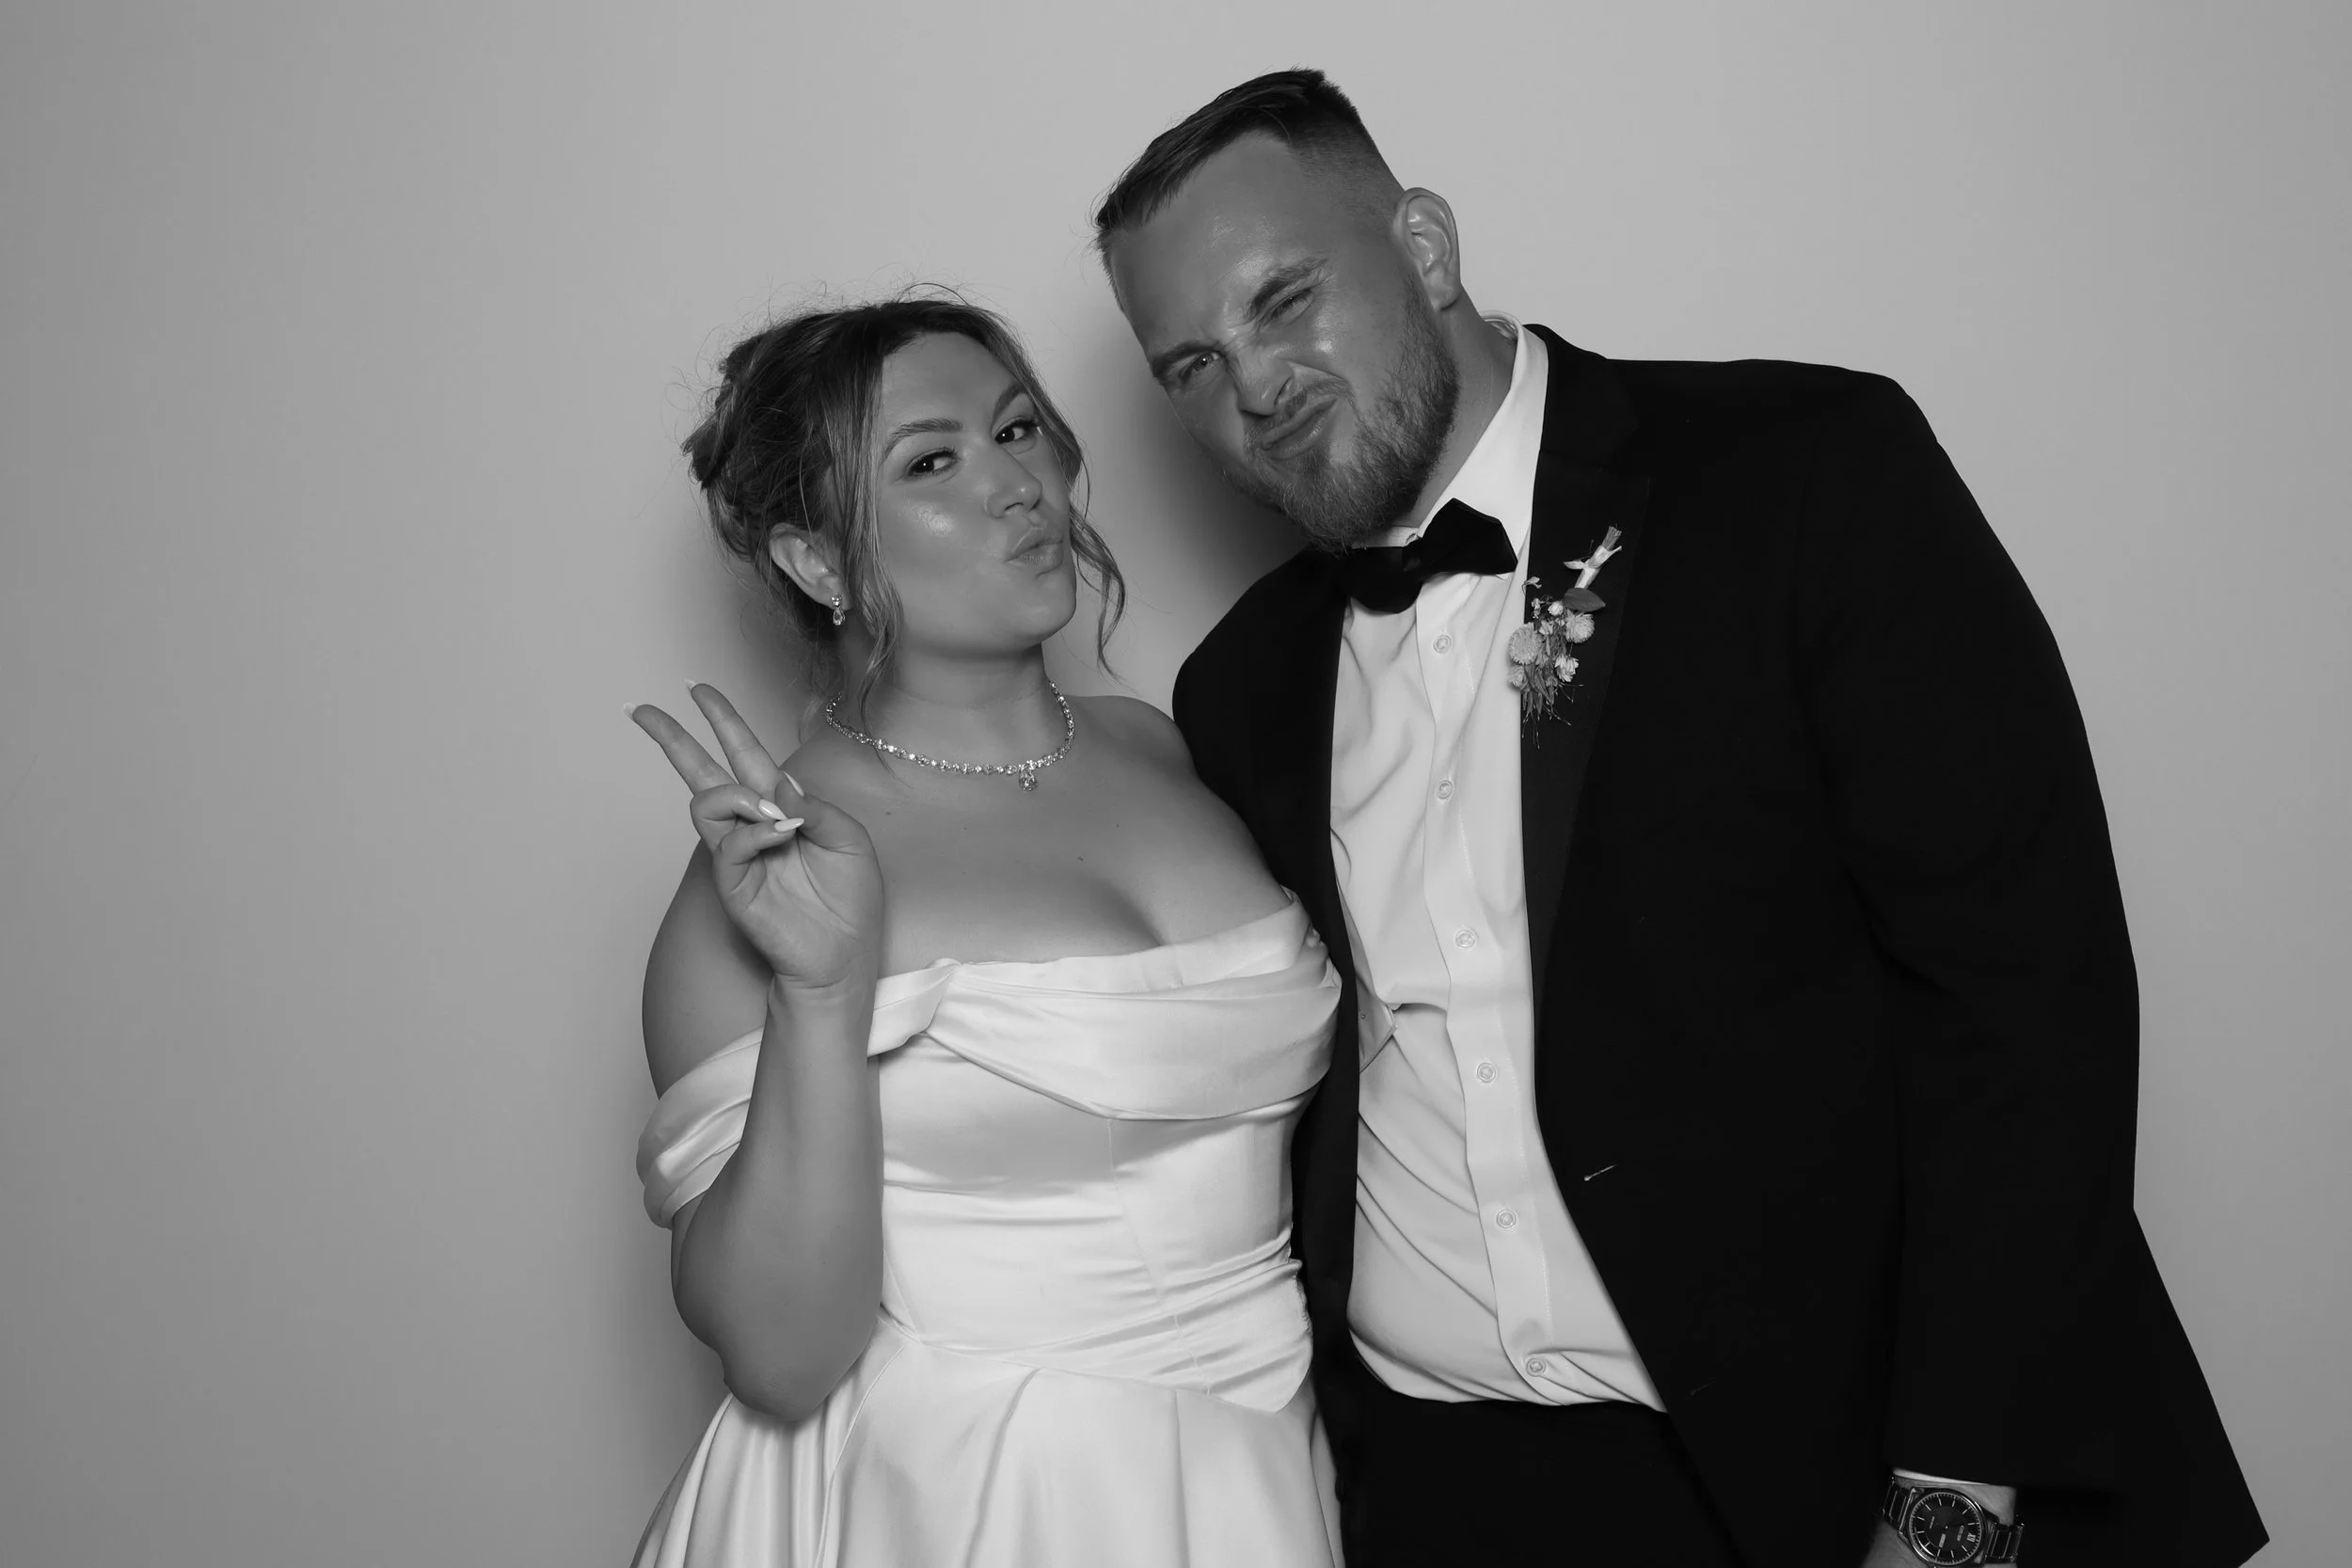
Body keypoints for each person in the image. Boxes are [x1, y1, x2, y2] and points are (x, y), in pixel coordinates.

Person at [1094, 69, 2266, 1568]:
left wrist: (1955, 1501)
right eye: (1190, 363)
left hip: (1853, 1478)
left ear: (1429, 247)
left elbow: (2029, 999)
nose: (1252, 386)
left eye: (1286, 299)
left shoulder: (1803, 475)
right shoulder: (1243, 687)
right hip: (1441, 1489)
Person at [623, 296, 1343, 1567]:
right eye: (933, 460)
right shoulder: (764, 874)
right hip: (965, 1503)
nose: (1017, 484)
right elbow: (783, 1358)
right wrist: (822, 995)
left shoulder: (1168, 745)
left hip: (1264, 1474)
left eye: (1019, 430)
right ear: (818, 562)